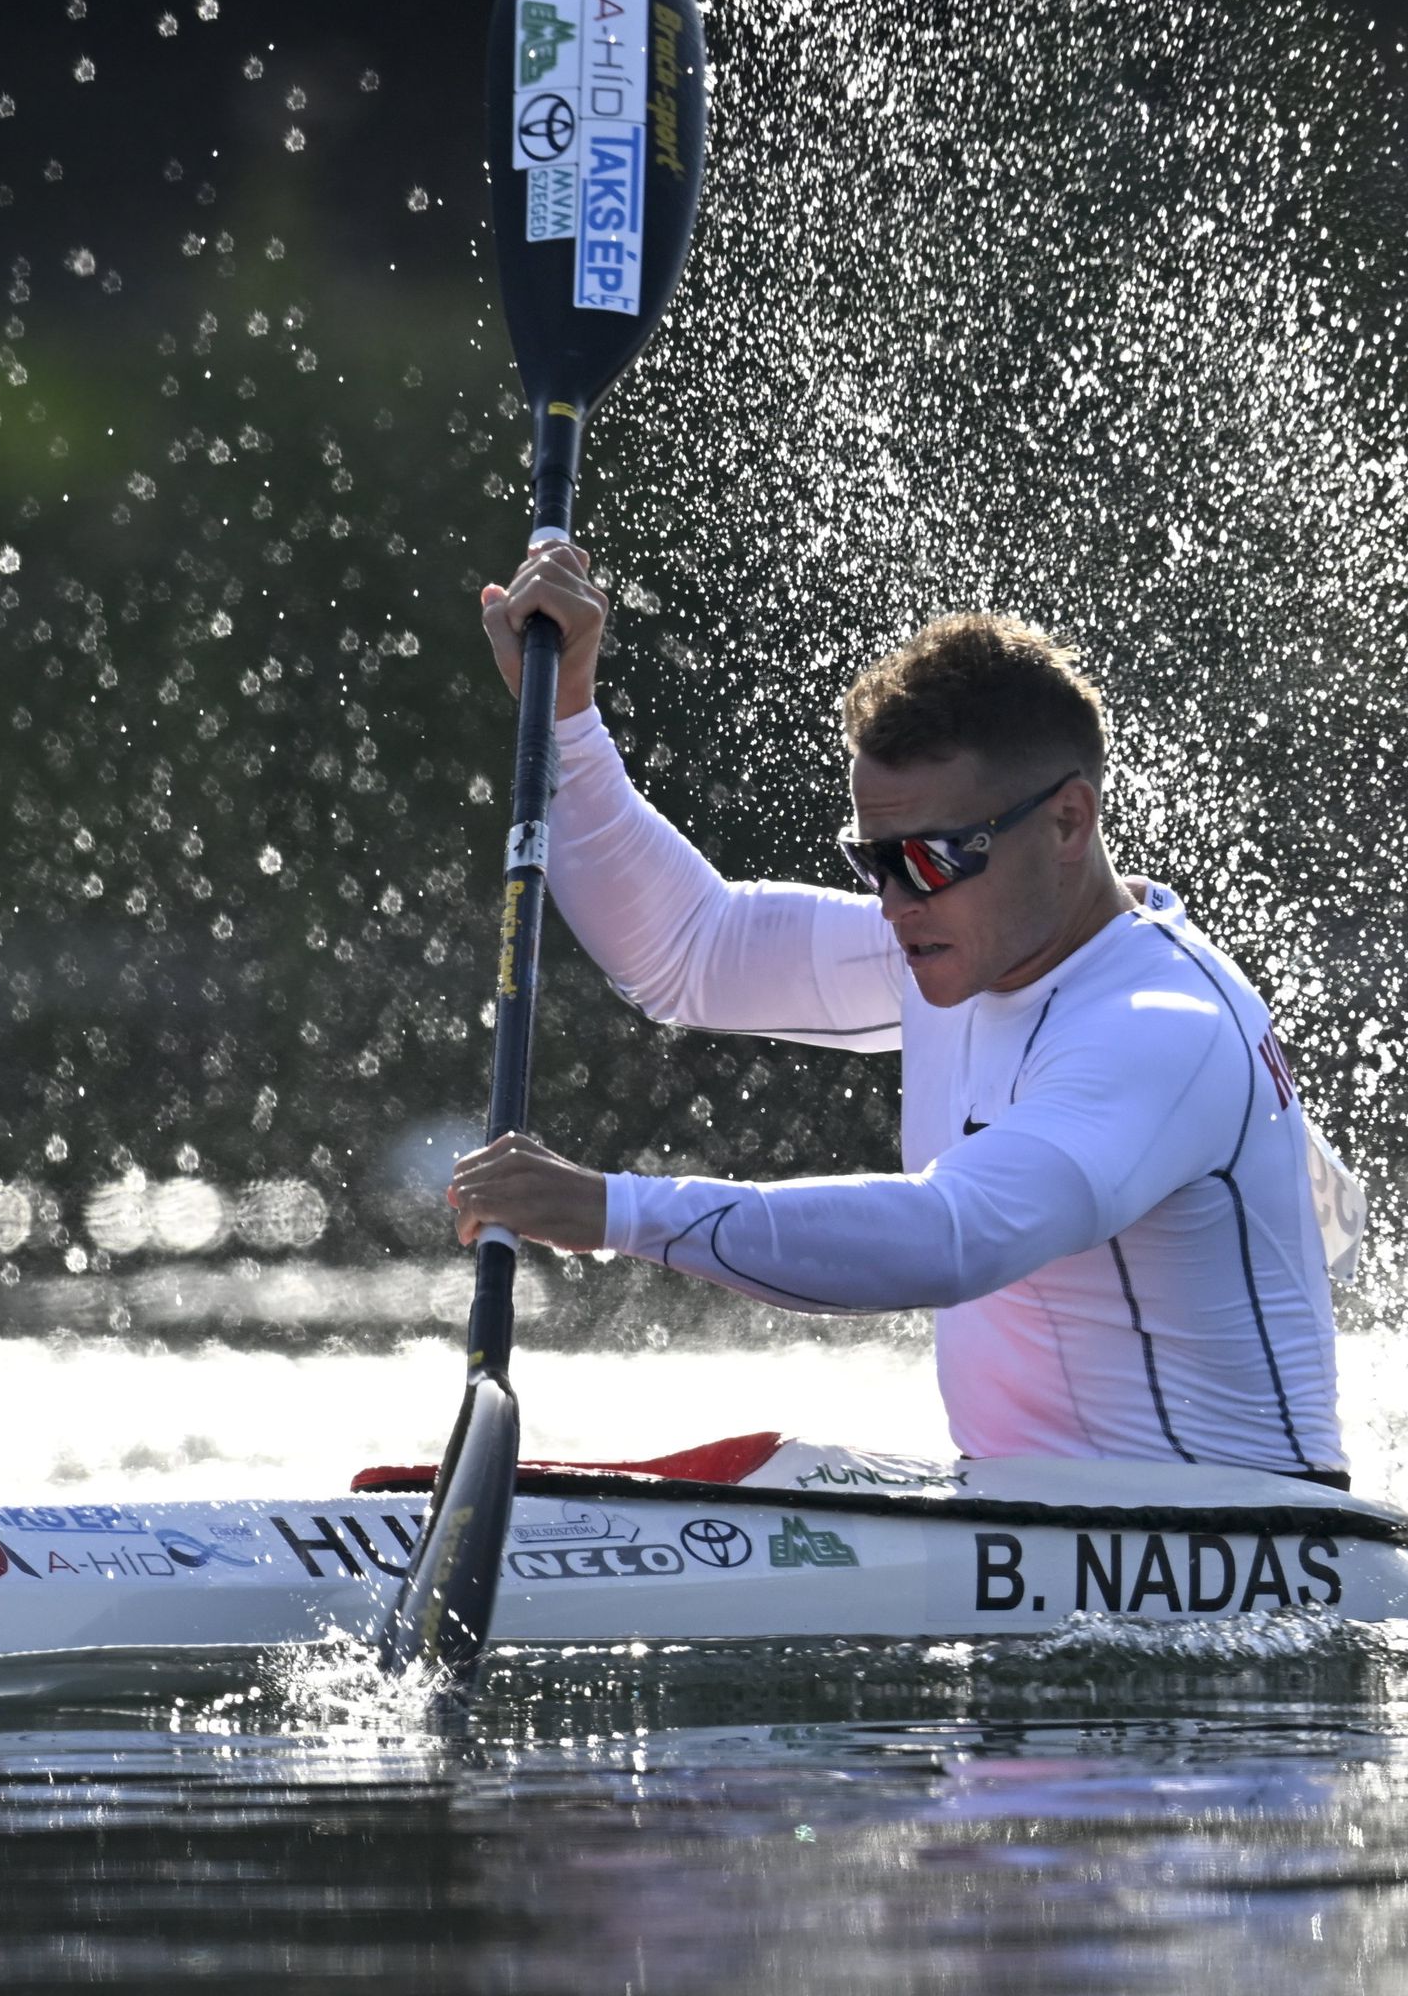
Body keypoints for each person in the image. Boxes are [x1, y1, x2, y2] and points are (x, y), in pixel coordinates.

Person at [443, 542, 1354, 1485]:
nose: (894, 901)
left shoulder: (1159, 1024)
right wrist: (567, 716)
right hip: (1038, 1518)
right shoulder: (960, 939)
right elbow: (690, 950)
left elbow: (952, 1235)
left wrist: (612, 1209)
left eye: (929, 858)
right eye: (873, 859)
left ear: (1069, 823)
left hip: (1246, 1558)